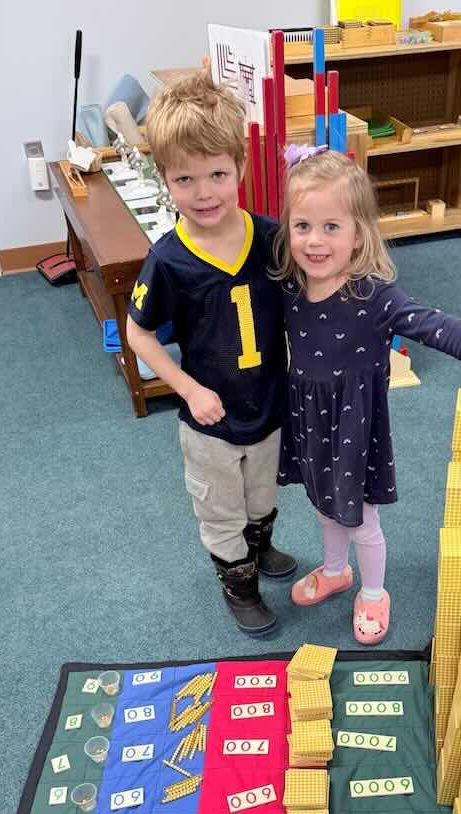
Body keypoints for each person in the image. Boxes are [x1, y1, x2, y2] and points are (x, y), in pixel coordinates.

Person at [272, 148, 461, 645]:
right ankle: (334, 570)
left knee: (361, 516)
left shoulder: (374, 296)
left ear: (358, 234)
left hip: (353, 427)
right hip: (308, 417)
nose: (315, 240)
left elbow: (434, 325)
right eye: (302, 225)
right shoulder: (290, 286)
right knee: (324, 506)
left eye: (331, 227)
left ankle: (372, 590)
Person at [126, 74, 296, 636]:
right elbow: (139, 334)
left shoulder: (272, 237)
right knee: (220, 509)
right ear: (165, 180)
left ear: (241, 169)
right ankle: (238, 582)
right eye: (185, 179)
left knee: (262, 495)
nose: (204, 193)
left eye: (218, 174)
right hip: (210, 419)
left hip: (267, 404)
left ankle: (261, 546)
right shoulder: (169, 259)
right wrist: (190, 390)